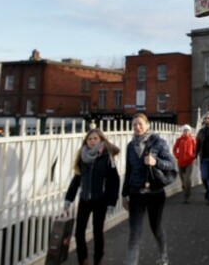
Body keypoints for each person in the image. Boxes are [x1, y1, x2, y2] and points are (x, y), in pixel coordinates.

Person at [122, 113, 176, 265]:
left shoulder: (158, 142)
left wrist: (155, 161)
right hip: (136, 193)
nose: (137, 127)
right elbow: (129, 170)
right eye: (134, 125)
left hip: (155, 193)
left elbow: (171, 164)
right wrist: (124, 194)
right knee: (134, 233)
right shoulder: (130, 146)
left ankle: (163, 256)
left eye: (140, 124)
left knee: (156, 227)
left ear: (147, 125)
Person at [64, 129, 120, 265]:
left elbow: (114, 181)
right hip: (84, 200)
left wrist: (112, 202)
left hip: (100, 200)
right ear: (86, 141)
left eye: (95, 138)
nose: (92, 141)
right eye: (89, 139)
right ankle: (83, 261)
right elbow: (77, 179)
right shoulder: (83, 157)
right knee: (78, 233)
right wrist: (68, 199)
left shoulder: (107, 157)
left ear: (101, 140)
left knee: (97, 232)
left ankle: (98, 260)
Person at [172, 124, 197, 203]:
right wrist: (177, 156)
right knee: (183, 181)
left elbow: (196, 151)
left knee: (187, 180)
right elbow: (174, 149)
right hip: (180, 162)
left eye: (187, 130)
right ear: (182, 132)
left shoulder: (192, 140)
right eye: (184, 130)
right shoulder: (179, 140)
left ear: (190, 132)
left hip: (189, 162)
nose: (186, 132)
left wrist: (192, 157)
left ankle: (187, 196)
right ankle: (185, 188)